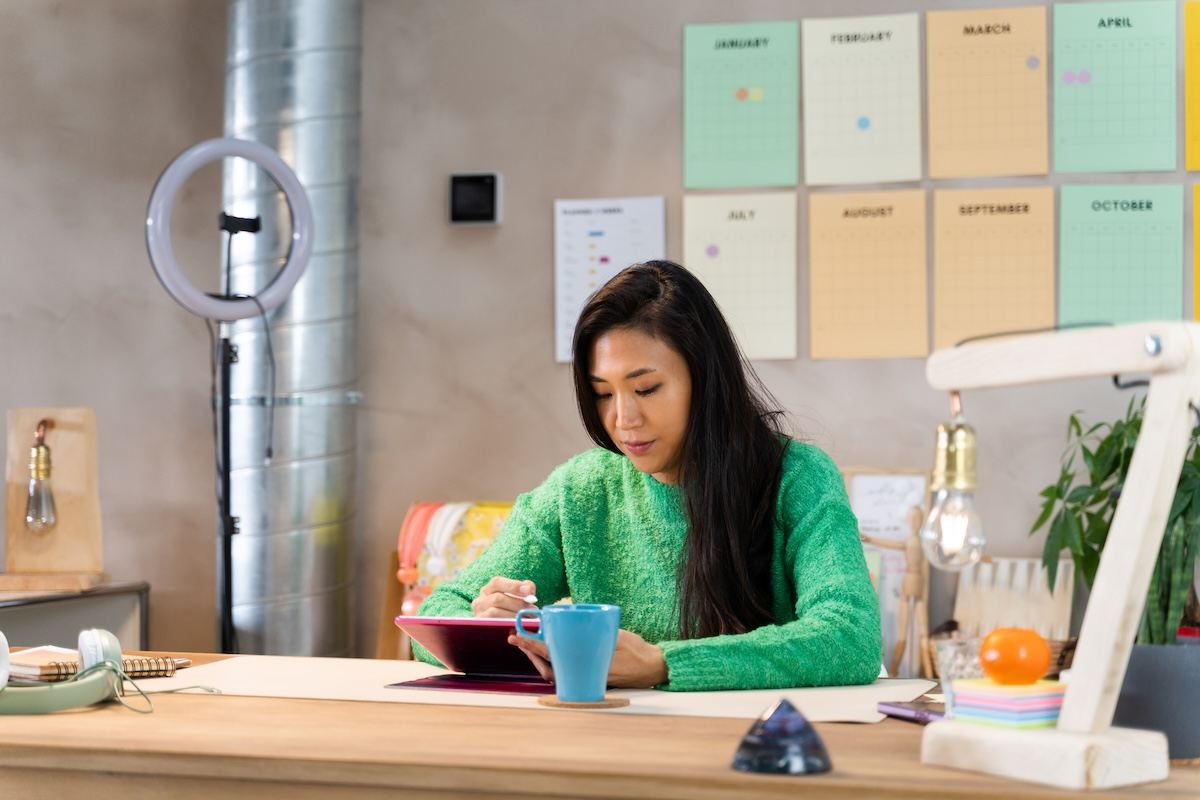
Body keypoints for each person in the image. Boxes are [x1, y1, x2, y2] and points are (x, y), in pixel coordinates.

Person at [415, 260, 881, 691]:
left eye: (646, 388)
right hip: (616, 753)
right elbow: (433, 620)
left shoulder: (797, 478)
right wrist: (491, 627)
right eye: (602, 393)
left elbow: (850, 638)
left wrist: (663, 665)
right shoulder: (578, 491)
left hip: (756, 752)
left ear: (706, 378)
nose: (623, 418)